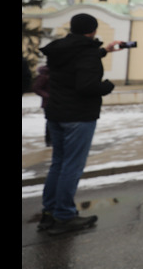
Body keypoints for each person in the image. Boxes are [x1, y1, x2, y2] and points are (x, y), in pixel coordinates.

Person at [38, 13, 122, 235]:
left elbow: (77, 61)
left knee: (58, 163)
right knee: (71, 166)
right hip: (78, 117)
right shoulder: (86, 54)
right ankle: (64, 215)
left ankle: (49, 212)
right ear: (93, 30)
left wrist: (106, 51)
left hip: (56, 114)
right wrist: (107, 86)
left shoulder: (60, 49)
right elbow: (86, 86)